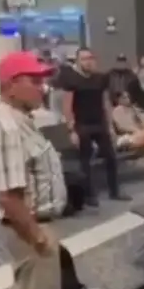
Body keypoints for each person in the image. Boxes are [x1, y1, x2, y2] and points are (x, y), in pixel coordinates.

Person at [0, 52, 67, 289]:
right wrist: (38, 238)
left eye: (42, 81)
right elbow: (8, 196)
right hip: (29, 233)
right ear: (10, 85)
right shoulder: (7, 128)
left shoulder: (21, 120)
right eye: (34, 80)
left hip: (35, 229)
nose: (42, 87)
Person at [58, 47, 126, 204]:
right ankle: (89, 195)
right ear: (78, 61)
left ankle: (114, 191)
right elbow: (67, 106)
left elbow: (105, 102)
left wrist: (110, 125)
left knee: (110, 157)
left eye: (90, 58)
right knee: (85, 161)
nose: (88, 61)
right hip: (82, 125)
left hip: (99, 123)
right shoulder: (71, 79)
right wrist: (71, 129)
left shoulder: (100, 79)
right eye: (84, 59)